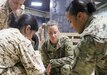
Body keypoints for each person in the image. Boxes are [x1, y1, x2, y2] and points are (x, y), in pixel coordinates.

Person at [65, 0, 107, 75]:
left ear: (80, 16)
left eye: (70, 21)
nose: (71, 26)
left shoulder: (89, 38)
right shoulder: (103, 20)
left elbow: (78, 72)